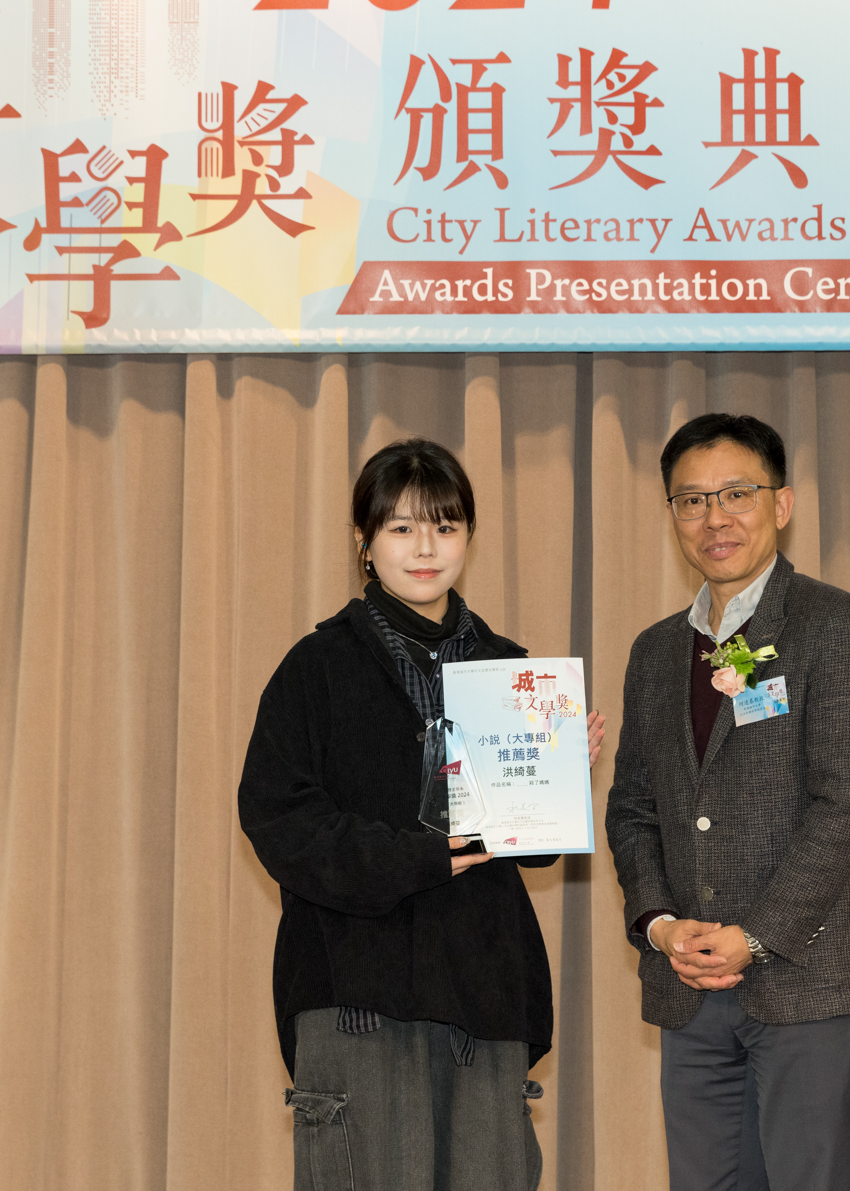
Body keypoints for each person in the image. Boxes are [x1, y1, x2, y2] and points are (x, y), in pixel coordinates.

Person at [239, 437, 605, 1191]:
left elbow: (533, 848)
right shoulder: (317, 666)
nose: (426, 547)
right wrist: (420, 856)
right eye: (402, 527)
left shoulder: (511, 669)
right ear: (364, 540)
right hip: (355, 989)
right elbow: (280, 820)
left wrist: (556, 779)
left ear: (469, 535)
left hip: (482, 989)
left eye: (445, 526)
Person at [605, 412, 850, 1191]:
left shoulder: (837, 627)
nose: (715, 518)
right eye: (691, 500)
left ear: (782, 504)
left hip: (811, 980)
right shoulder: (655, 651)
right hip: (690, 986)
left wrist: (756, 937)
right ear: (672, 515)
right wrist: (660, 924)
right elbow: (634, 806)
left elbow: (846, 806)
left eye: (737, 493)